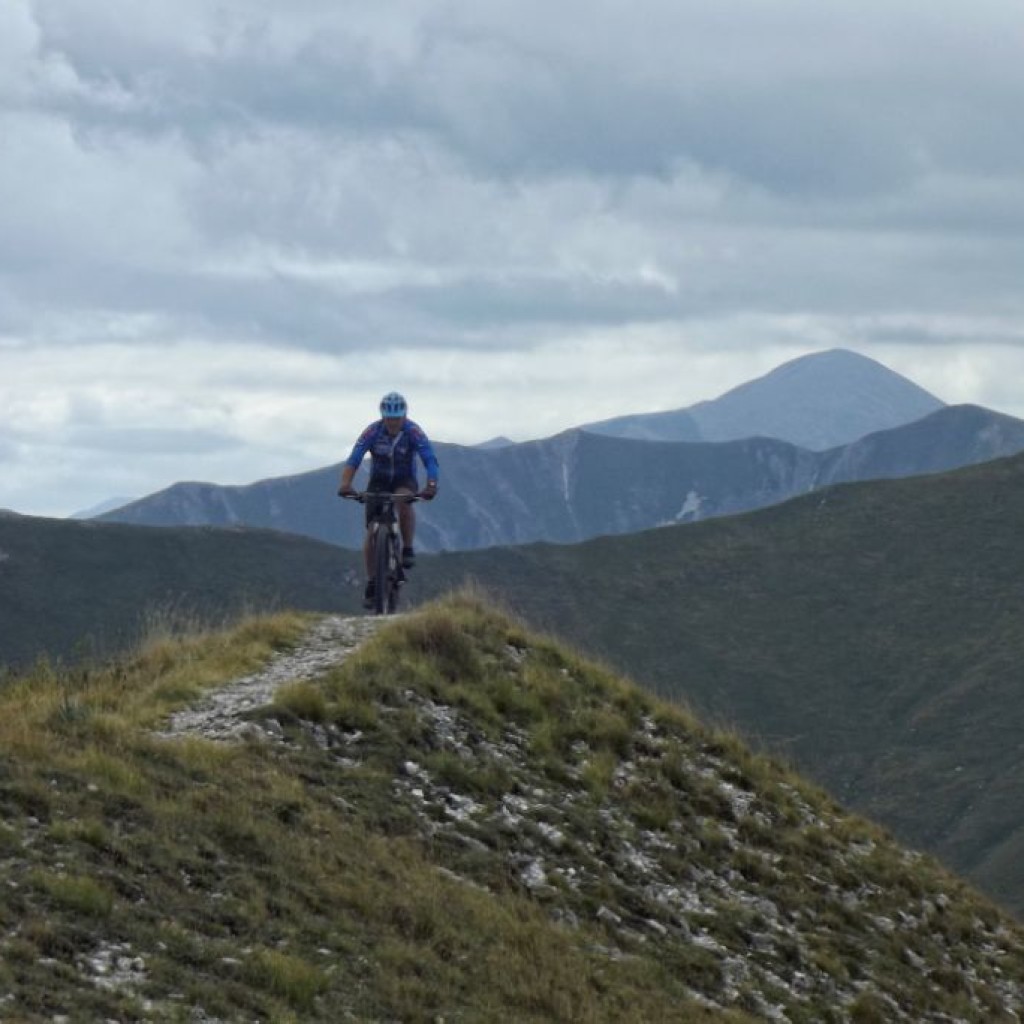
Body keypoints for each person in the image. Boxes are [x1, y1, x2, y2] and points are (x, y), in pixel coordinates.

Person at [337, 391, 439, 608]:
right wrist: (346, 484)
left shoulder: (414, 432)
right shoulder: (372, 432)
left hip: (405, 479)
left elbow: (430, 459)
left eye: (397, 419)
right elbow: (354, 459)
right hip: (379, 481)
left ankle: (408, 547)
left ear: (404, 416)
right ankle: (373, 581)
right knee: (373, 530)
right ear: (383, 416)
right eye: (389, 419)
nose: (393, 424)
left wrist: (431, 485)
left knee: (404, 501)